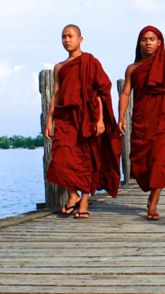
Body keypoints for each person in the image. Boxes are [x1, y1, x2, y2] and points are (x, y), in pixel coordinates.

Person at [44, 24, 122, 219]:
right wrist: (49, 121)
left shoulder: (90, 62)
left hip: (87, 117)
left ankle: (84, 200)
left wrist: (101, 119)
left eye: (70, 36)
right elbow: (55, 94)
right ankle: (72, 195)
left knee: (85, 159)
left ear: (80, 39)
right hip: (65, 117)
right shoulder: (60, 67)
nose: (66, 40)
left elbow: (99, 93)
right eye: (63, 37)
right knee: (61, 157)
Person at [118, 26, 165, 220]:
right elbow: (125, 93)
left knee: (161, 163)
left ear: (159, 42)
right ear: (139, 43)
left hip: (164, 122)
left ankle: (153, 204)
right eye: (144, 39)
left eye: (152, 39)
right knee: (141, 165)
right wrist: (121, 116)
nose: (148, 43)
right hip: (141, 122)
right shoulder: (133, 69)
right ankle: (150, 195)